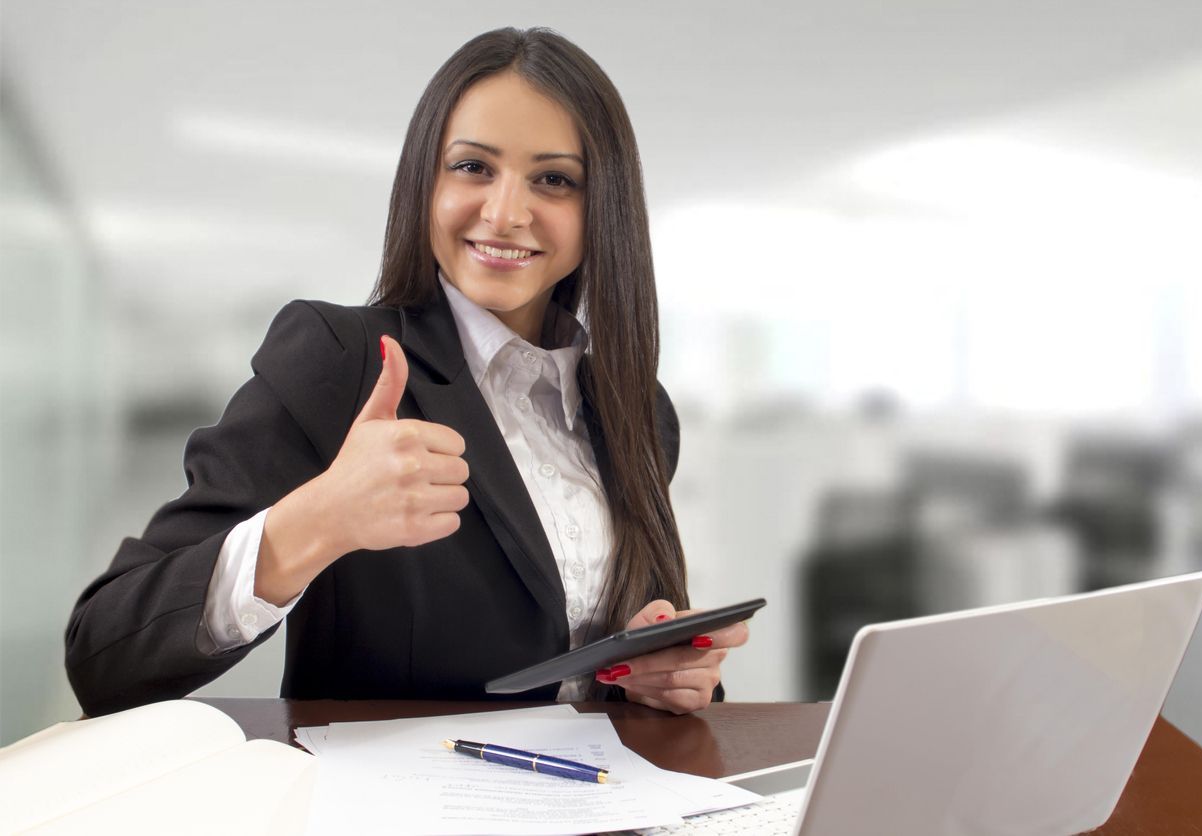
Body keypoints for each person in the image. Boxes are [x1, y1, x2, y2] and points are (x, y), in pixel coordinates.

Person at [65, 27, 748, 718]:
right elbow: (104, 652)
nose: (507, 213)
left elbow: (618, 654)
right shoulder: (341, 360)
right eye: (474, 167)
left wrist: (667, 676)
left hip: (603, 807)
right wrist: (320, 518)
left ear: (603, 208)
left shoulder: (636, 411)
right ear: (425, 181)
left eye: (553, 179)